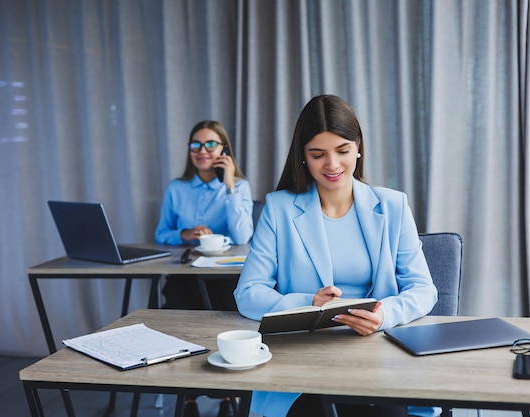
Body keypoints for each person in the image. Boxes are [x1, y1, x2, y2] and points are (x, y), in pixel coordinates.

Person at [234, 95, 439, 417]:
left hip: (379, 350)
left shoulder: (393, 205)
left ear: (358, 148)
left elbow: (423, 289)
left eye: (342, 151)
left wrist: (384, 315)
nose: (332, 165)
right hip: (307, 355)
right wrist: (308, 304)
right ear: (303, 157)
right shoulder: (279, 208)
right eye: (318, 155)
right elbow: (248, 294)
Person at [155, 120, 253, 417]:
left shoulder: (239, 187)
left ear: (224, 149)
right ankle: (186, 396)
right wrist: (184, 234)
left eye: (211, 144)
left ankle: (227, 397)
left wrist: (231, 185)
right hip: (186, 272)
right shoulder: (177, 187)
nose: (202, 151)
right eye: (196, 144)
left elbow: (242, 236)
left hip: (223, 276)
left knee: (224, 323)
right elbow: (162, 234)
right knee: (177, 320)